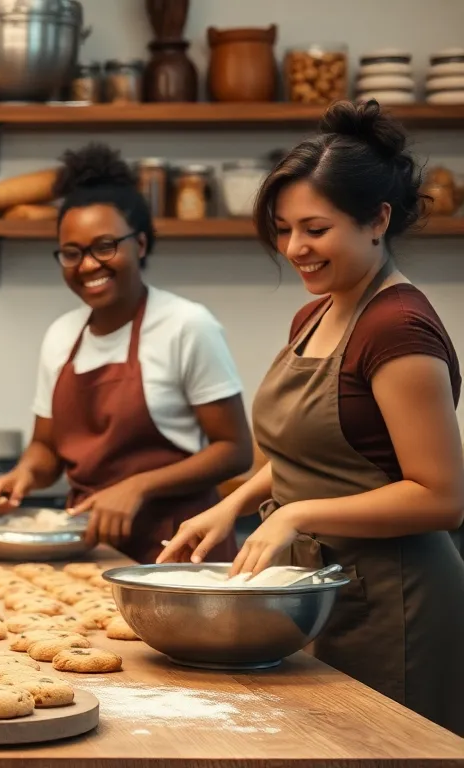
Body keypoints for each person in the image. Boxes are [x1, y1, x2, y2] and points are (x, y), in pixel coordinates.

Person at [159, 100, 464, 736]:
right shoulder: (316, 314)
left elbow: (441, 498)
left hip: (394, 604)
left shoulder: (397, 329)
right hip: (318, 590)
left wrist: (297, 514)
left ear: (377, 220)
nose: (295, 248)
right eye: (282, 228)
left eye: (315, 229)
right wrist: (233, 505)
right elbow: (312, 454)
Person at [0, 143, 253, 563]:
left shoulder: (186, 325)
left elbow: (234, 450)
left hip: (180, 552)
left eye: (105, 246)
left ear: (140, 244)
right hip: (92, 551)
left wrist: (138, 486)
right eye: (71, 253)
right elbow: (47, 448)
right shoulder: (61, 335)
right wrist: (24, 474)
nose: (88, 265)